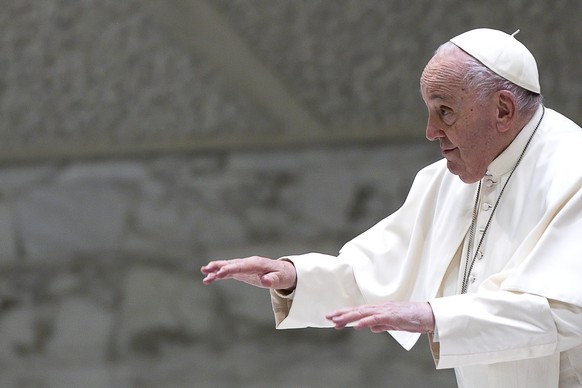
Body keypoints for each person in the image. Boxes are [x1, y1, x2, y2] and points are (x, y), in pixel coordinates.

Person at [201, 28, 582, 387]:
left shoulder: (573, 170)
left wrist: (434, 316)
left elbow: (567, 312)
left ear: (502, 109)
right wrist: (292, 276)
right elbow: (375, 271)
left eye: (444, 111)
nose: (431, 131)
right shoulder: (446, 179)